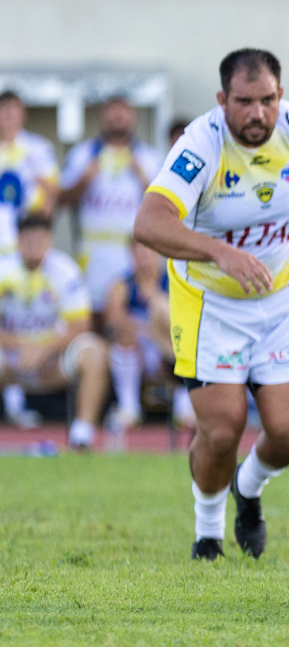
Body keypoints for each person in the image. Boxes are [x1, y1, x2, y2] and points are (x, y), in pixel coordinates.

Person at [132, 49, 289, 561]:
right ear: (223, 101)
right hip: (210, 302)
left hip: (281, 299)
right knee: (221, 430)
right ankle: (208, 534)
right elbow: (148, 222)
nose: (257, 113)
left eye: (266, 101)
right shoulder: (201, 144)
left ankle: (250, 488)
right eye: (244, 102)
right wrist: (220, 251)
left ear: (280, 96)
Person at [0, 215, 109, 448]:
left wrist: (42, 349)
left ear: (49, 240)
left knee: (95, 351)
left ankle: (82, 435)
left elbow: (80, 325)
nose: (34, 246)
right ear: (18, 240)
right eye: (28, 240)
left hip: (52, 360)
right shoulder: (4, 270)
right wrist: (21, 346)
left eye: (39, 240)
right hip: (10, 359)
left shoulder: (64, 271)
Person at [59, 97, 161, 317]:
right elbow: (61, 199)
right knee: (93, 312)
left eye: (123, 110)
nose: (117, 116)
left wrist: (144, 180)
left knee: (134, 313)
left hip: (135, 253)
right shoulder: (82, 154)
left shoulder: (150, 157)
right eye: (112, 111)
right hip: (93, 253)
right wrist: (84, 181)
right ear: (102, 116)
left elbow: (166, 205)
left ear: (133, 116)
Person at [104, 241, 188, 428]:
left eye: (149, 254)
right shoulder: (121, 286)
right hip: (138, 349)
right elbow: (114, 321)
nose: (145, 260)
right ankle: (129, 407)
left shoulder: (174, 283)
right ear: (131, 255)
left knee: (178, 333)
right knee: (123, 340)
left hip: (167, 349)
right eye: (139, 254)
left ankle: (185, 401)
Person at [0, 91, 57, 255]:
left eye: (13, 108)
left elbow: (52, 194)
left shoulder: (39, 149)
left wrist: (38, 235)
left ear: (23, 114)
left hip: (25, 240)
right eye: (4, 108)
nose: (8, 114)